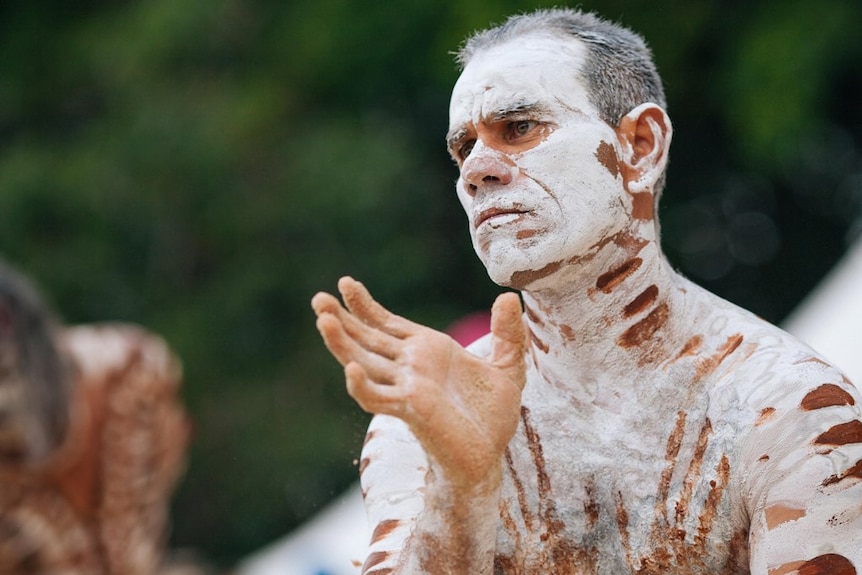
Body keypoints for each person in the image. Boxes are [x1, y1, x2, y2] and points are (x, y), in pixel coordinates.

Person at [312, 8, 862, 574]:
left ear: (640, 146)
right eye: (463, 149)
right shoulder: (425, 421)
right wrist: (461, 489)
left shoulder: (790, 411)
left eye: (519, 128)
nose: (477, 170)